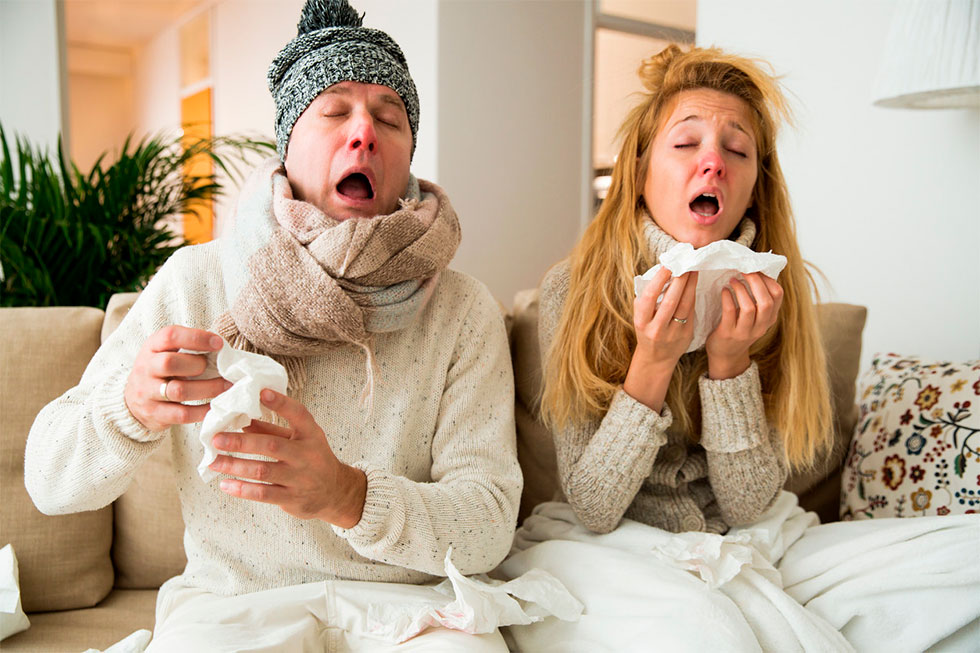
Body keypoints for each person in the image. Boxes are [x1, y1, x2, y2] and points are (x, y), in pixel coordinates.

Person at [24, 1, 521, 650]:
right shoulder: (195, 282)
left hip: (416, 612)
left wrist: (348, 495)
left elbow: (487, 521)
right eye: (335, 111)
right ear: (287, 144)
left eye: (389, 118)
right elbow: (48, 480)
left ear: (407, 159)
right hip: (233, 608)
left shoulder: (463, 310)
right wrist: (129, 406)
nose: (364, 133)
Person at [496, 45, 979, 651]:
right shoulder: (577, 287)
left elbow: (750, 503)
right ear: (640, 169)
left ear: (755, 184)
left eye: (737, 149)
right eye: (685, 143)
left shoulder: (776, 291)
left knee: (967, 562)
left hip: (751, 535)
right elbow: (594, 505)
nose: (713, 163)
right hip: (611, 544)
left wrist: (730, 365)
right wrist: (652, 361)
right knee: (706, 635)